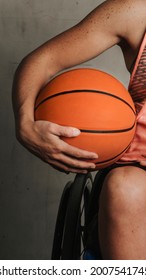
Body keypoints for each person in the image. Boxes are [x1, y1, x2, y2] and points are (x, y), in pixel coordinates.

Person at [12, 0, 146, 259]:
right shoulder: (135, 12)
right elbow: (43, 60)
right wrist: (26, 124)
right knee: (126, 187)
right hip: (138, 174)